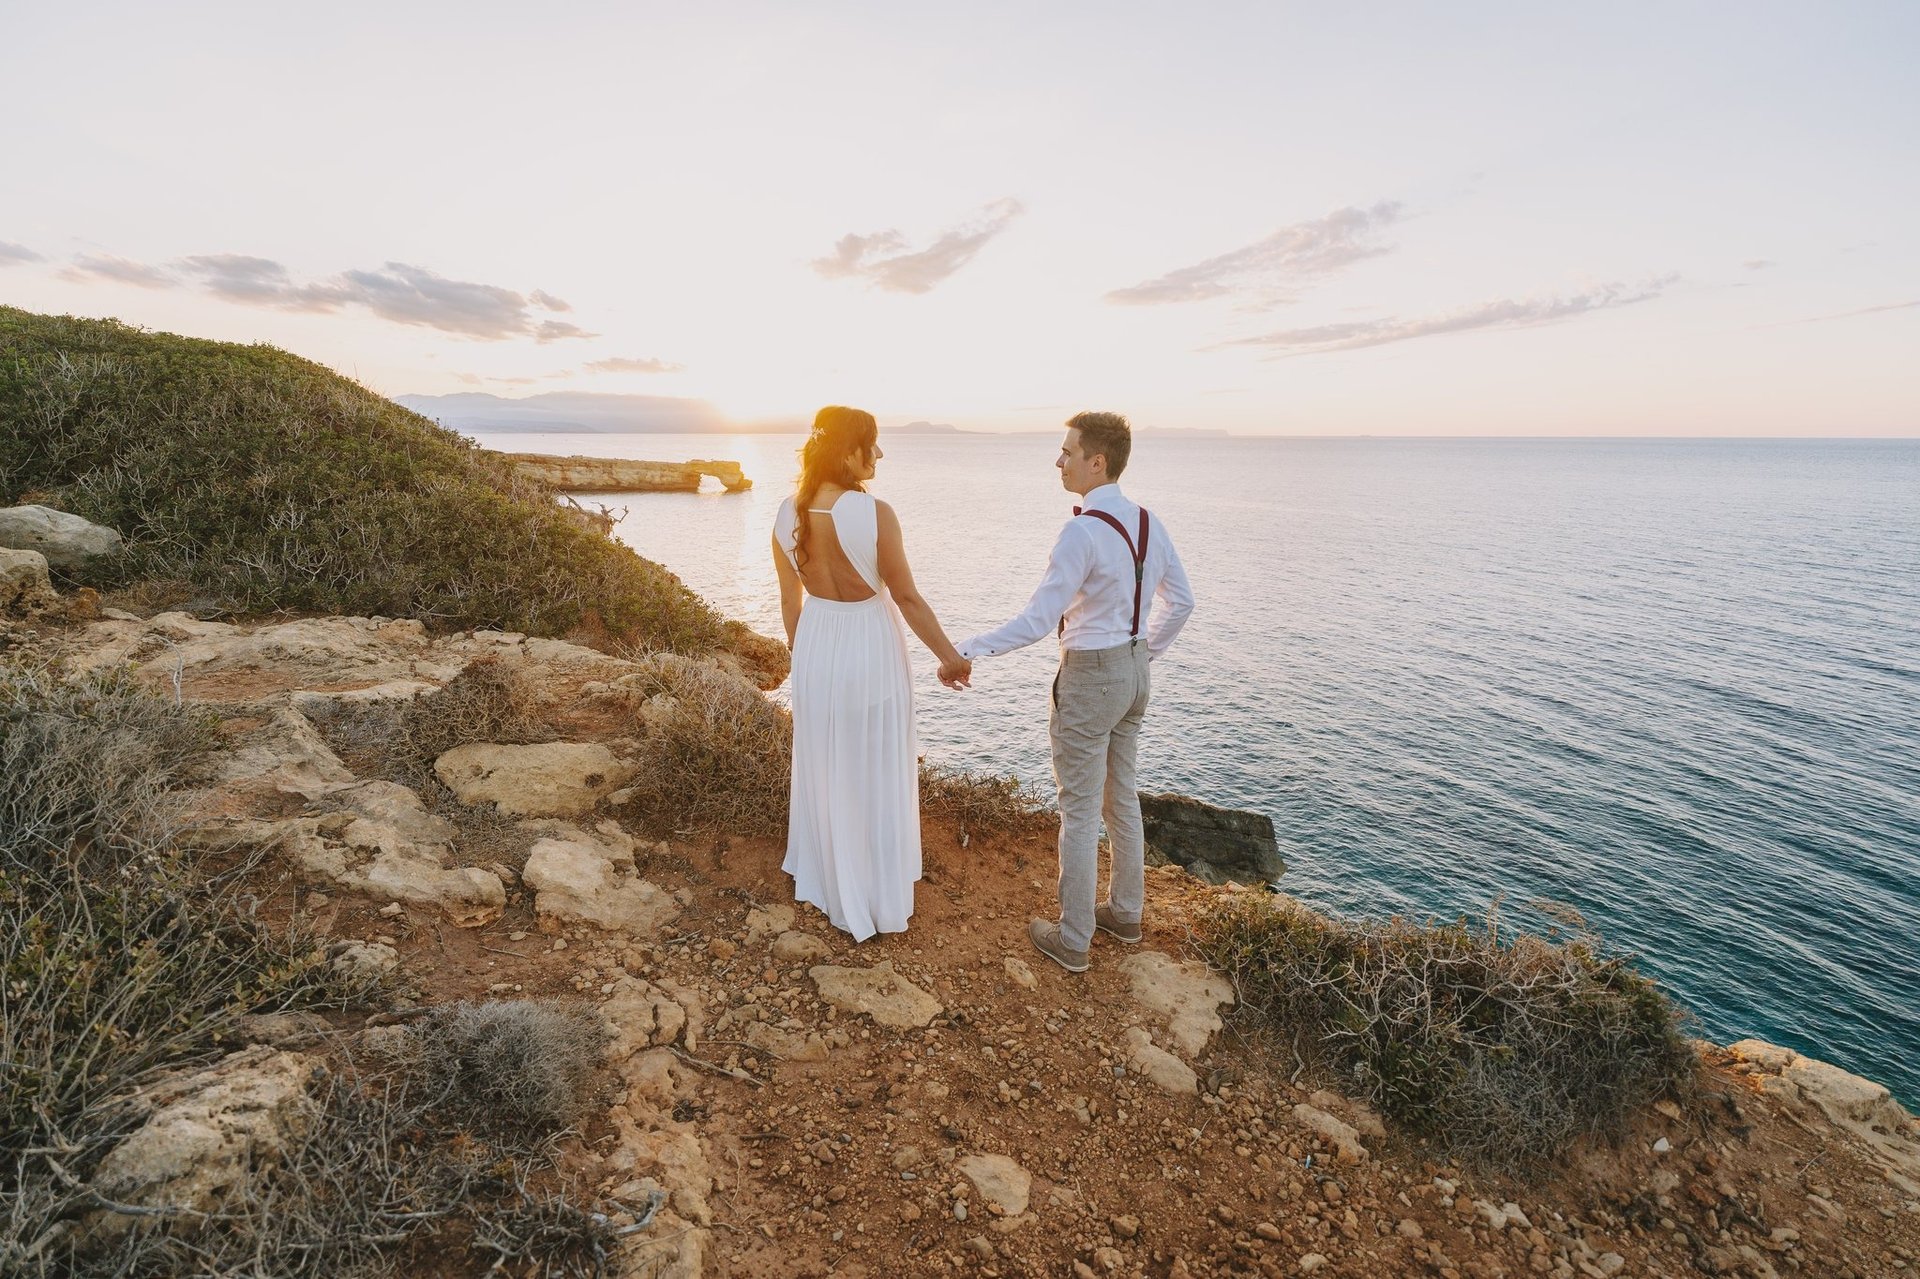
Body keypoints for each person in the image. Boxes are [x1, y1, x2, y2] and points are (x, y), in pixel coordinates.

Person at [957, 411, 1194, 972]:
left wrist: (968, 648)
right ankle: (1127, 915)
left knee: (1081, 809)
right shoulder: (1148, 523)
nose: (1058, 461)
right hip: (1136, 673)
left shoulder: (1081, 531)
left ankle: (1073, 939)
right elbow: (1181, 602)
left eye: (1067, 451)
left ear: (1097, 461)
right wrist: (1141, 653)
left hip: (1091, 677)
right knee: (1123, 797)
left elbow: (1039, 621)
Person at [772, 406, 972, 941]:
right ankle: (875, 885)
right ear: (846, 453)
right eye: (872, 445)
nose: (878, 455)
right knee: (875, 758)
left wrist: (807, 658)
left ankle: (829, 872)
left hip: (817, 643)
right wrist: (950, 657)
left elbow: (790, 603)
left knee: (827, 757)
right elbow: (905, 596)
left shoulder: (784, 514)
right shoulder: (876, 512)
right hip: (868, 642)